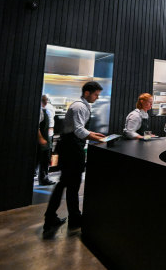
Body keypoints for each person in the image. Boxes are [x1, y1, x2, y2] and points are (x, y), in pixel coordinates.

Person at [43, 82, 105, 238]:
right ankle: (71, 218)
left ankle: (60, 217)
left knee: (67, 183)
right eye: (95, 94)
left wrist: (93, 134)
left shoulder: (83, 106)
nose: (97, 98)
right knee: (72, 183)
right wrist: (93, 136)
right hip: (71, 149)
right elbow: (78, 130)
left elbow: (80, 128)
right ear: (86, 93)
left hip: (70, 147)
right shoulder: (80, 107)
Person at [37, 104, 55, 185]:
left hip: (48, 136)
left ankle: (44, 178)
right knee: (43, 160)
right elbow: (37, 126)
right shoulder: (40, 111)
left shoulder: (46, 109)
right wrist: (41, 138)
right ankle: (43, 179)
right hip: (42, 140)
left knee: (45, 159)